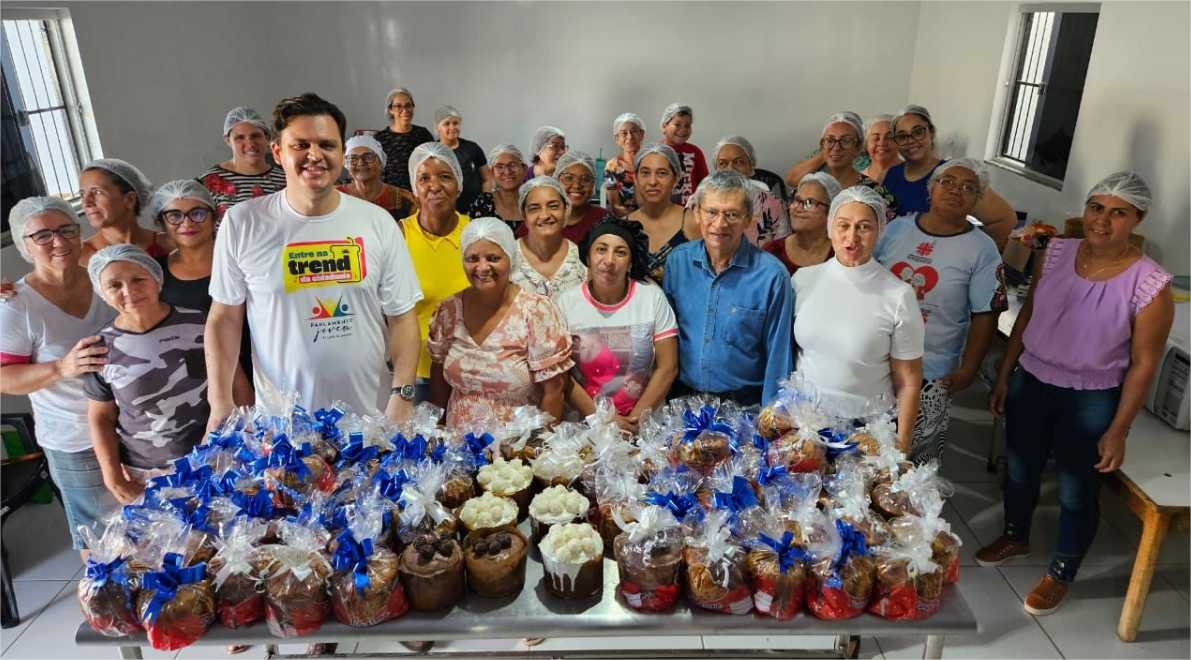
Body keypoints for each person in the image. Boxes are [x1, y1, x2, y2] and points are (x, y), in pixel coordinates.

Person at [978, 172, 1173, 616]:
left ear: (1137, 219)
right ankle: (1016, 534)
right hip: (1033, 377)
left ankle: (1062, 570)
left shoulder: (1150, 284)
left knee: (1076, 488)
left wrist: (1119, 429)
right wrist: (1006, 372)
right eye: (1095, 208)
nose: (1102, 221)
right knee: (1021, 468)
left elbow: (1144, 364)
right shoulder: (1056, 253)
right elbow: (1028, 313)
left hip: (1091, 397)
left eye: (1118, 213)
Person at [206, 93, 423, 427]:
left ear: (341, 153)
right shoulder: (242, 223)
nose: (315, 155)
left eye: (327, 144)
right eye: (300, 145)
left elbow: (403, 317)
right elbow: (224, 319)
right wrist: (220, 403)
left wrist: (402, 396)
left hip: (373, 418)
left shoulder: (377, 222)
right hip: (285, 431)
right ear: (277, 152)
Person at [0, 198, 118, 555]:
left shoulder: (105, 279)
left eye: (67, 229)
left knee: (149, 524)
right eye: (43, 235)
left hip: (134, 428)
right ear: (24, 246)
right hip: (75, 439)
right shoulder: (17, 305)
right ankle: (107, 608)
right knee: (100, 539)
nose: (59, 241)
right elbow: (5, 379)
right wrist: (61, 368)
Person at [875, 159, 1007, 464]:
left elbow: (986, 314)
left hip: (932, 367)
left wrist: (969, 368)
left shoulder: (981, 248)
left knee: (913, 458)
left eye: (968, 187)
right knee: (869, 449)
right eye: (947, 182)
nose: (955, 191)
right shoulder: (896, 229)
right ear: (931, 189)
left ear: (977, 200)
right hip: (879, 358)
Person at [792, 186, 924, 452]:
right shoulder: (803, 279)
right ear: (830, 228)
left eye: (864, 227)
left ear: (879, 232)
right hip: (805, 421)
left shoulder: (898, 295)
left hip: (865, 430)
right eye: (843, 225)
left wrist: (901, 445)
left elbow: (908, 380)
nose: (851, 237)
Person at [82, 245, 210, 503]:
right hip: (147, 472)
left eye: (138, 279)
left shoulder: (200, 324)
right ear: (103, 293)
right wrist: (112, 475)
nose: (129, 292)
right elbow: (101, 417)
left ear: (156, 278)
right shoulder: (98, 349)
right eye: (114, 285)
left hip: (212, 458)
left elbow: (236, 386)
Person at [662, 171, 793, 406]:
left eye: (731, 214)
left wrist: (772, 419)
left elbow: (779, 357)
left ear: (748, 218)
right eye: (711, 212)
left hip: (745, 407)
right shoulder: (678, 263)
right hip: (683, 403)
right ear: (697, 213)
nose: (720, 224)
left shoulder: (771, 275)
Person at [428, 217, 573, 429]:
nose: (482, 267)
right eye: (472, 258)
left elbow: (554, 391)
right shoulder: (449, 310)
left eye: (493, 258)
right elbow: (438, 370)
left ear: (511, 259)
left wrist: (538, 449)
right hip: (458, 448)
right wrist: (439, 431)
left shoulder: (536, 311)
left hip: (515, 450)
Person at [556, 218, 678, 433]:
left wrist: (635, 421)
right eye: (601, 250)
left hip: (645, 426)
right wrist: (603, 420)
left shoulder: (651, 297)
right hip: (586, 426)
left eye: (620, 252)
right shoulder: (566, 303)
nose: (609, 260)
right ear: (588, 257)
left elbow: (667, 368)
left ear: (631, 261)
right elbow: (561, 374)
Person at [148, 180, 255, 399]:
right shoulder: (154, 274)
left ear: (214, 216)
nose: (186, 223)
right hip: (192, 385)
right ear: (162, 223)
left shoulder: (241, 261)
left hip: (257, 367)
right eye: (174, 216)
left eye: (197, 213)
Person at [883, 105, 1015, 245]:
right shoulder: (889, 175)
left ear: (931, 132)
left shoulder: (953, 174)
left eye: (918, 132)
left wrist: (968, 254)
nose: (910, 140)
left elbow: (1005, 219)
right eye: (902, 136)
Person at [400, 142, 471, 402]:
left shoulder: (475, 235)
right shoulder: (398, 236)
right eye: (424, 178)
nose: (435, 186)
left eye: (445, 176)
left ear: (459, 184)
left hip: (470, 372)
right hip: (414, 375)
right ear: (414, 189)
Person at [198, 106, 287, 218]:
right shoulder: (208, 183)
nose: (250, 144)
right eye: (240, 138)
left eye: (255, 136)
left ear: (267, 137)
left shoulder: (285, 179)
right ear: (228, 140)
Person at [78, 158, 171, 264]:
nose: (86, 203)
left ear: (130, 199)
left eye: (97, 192)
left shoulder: (168, 245)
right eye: (82, 194)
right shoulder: (81, 258)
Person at [510, 176, 587, 301]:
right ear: (524, 215)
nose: (545, 215)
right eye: (534, 208)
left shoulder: (582, 260)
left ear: (566, 209)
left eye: (553, 206)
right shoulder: (508, 258)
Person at [627, 143, 696, 281]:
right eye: (645, 173)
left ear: (676, 179)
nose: (653, 181)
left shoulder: (692, 222)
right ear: (635, 178)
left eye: (662, 173)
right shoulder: (624, 225)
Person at [712, 135, 790, 244]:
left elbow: (782, 248)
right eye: (723, 163)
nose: (730, 169)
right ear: (716, 170)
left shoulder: (772, 204)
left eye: (738, 162)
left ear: (751, 167)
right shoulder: (699, 201)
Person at [518, 150, 605, 243]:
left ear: (593, 185)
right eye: (568, 178)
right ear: (556, 180)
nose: (577, 185)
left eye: (586, 179)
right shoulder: (537, 220)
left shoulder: (603, 220)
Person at [762, 172, 840, 275]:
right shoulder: (772, 252)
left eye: (809, 203)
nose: (798, 208)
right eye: (797, 200)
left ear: (831, 211)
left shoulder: (842, 253)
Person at [337, 134, 418, 221]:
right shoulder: (334, 197)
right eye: (353, 158)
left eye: (368, 157)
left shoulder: (405, 201)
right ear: (346, 165)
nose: (360, 162)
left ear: (380, 162)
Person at [783, 110, 869, 189]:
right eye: (830, 139)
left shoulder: (866, 159)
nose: (836, 147)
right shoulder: (819, 154)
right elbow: (791, 180)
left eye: (846, 141)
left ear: (859, 144)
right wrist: (825, 154)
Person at [374, 87, 436, 191]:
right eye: (398, 106)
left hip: (420, 194)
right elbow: (376, 172)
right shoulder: (380, 139)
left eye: (408, 106)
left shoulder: (423, 134)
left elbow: (434, 164)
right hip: (391, 196)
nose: (405, 110)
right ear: (390, 110)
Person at [432, 105, 490, 213]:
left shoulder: (472, 148)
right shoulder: (432, 152)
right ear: (438, 128)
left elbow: (487, 178)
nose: (452, 127)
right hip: (444, 210)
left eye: (455, 123)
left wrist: (484, 200)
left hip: (473, 209)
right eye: (447, 124)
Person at [659, 103, 708, 205]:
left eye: (687, 125)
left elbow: (705, 184)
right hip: (662, 210)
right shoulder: (655, 151)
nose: (683, 129)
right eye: (677, 124)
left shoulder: (695, 152)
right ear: (664, 126)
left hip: (690, 211)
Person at [468, 144, 525, 232]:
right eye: (499, 167)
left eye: (512, 165)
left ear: (524, 169)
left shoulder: (533, 200)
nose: (507, 171)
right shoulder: (483, 204)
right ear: (492, 173)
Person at [604, 112, 646, 217]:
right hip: (623, 220)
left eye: (634, 131)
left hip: (652, 218)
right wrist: (635, 221)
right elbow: (615, 206)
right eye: (624, 133)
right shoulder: (612, 166)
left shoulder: (651, 162)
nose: (630, 136)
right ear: (617, 139)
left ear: (642, 135)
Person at [859, 114, 903, 182]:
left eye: (889, 137)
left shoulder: (915, 176)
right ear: (866, 144)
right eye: (876, 138)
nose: (882, 143)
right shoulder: (857, 181)